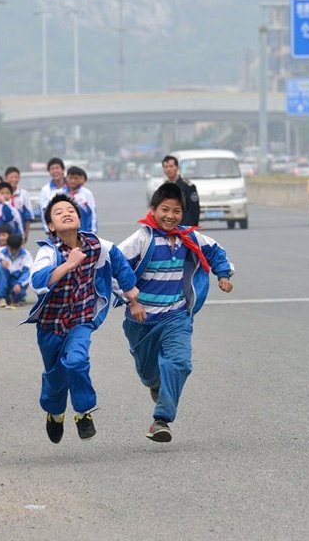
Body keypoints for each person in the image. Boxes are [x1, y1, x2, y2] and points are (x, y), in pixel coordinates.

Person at [117, 181, 234, 443]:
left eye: (177, 211)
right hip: (142, 320)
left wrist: (223, 275)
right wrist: (132, 302)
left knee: (179, 362)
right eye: (165, 210)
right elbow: (115, 267)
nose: (170, 216)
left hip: (175, 316)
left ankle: (162, 420)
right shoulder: (142, 238)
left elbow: (215, 251)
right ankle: (156, 386)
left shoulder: (189, 237)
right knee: (149, 374)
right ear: (154, 209)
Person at [24, 194, 144, 443]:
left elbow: (119, 261)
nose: (66, 213)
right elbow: (37, 281)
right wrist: (68, 264)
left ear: (79, 218)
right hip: (51, 325)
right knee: (55, 375)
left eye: (71, 210)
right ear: (51, 226)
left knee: (77, 361)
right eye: (58, 212)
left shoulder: (96, 244)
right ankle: (55, 413)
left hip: (81, 320)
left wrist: (131, 292)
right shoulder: (49, 251)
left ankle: (83, 411)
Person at [0, 232, 33, 308]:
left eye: (15, 249)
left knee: (17, 297)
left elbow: (28, 273)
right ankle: (1, 298)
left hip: (17, 281)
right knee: (1, 268)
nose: (13, 251)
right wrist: (0, 262)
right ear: (7, 245)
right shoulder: (0, 253)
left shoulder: (26, 255)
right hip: (2, 282)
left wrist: (19, 284)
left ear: (20, 246)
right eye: (11, 249)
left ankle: (17, 297)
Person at [162, 155, 200, 226]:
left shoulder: (188, 186)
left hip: (184, 226)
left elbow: (194, 209)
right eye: (166, 167)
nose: (168, 169)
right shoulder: (163, 187)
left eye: (171, 166)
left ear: (177, 167)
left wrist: (189, 228)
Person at [37, 157, 69, 232]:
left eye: (57, 168)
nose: (55, 171)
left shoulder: (71, 187)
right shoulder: (45, 190)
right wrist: (48, 230)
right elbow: (43, 211)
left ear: (63, 170)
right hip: (56, 231)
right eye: (52, 169)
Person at [4, 166, 32, 242]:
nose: (14, 179)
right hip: (5, 232)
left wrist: (26, 235)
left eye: (16, 177)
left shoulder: (24, 194)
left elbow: (28, 217)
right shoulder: (2, 194)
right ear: (6, 178)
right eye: (11, 177)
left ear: (19, 178)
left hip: (19, 232)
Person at [66, 165, 98, 233]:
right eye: (70, 178)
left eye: (75, 178)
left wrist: (92, 232)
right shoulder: (61, 193)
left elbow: (92, 213)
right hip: (66, 233)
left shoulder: (86, 193)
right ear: (66, 178)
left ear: (80, 179)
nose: (73, 181)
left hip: (83, 231)